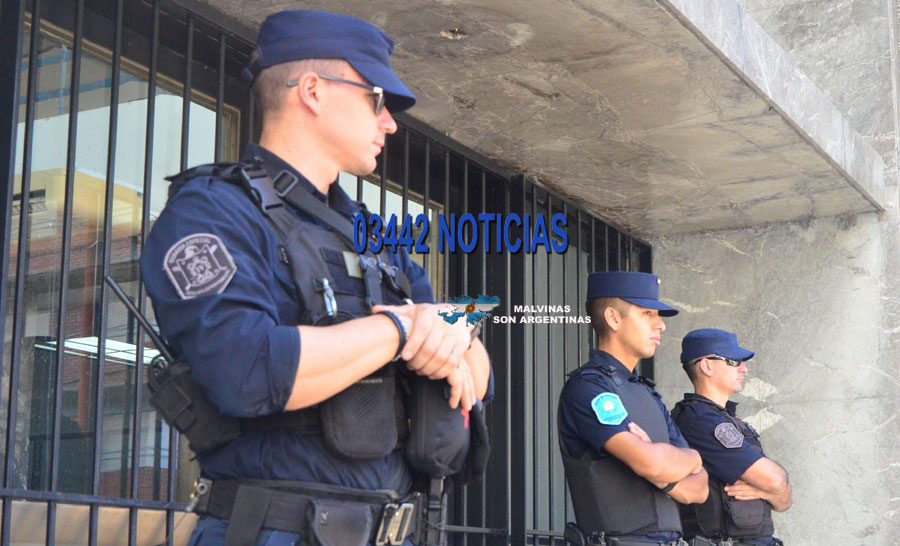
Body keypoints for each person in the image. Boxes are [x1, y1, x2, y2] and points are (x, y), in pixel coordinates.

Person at [139, 9, 491, 545]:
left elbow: (475, 369)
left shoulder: (374, 236)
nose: (390, 123)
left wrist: (455, 330)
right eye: (377, 100)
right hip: (275, 529)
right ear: (313, 91)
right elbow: (247, 370)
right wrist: (401, 331)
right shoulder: (212, 212)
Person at [558, 271, 708, 546]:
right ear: (614, 318)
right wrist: (674, 463)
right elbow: (650, 463)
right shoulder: (589, 388)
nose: (660, 325)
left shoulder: (647, 394)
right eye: (647, 313)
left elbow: (699, 488)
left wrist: (675, 467)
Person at [671, 329, 791, 546]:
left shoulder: (725, 419)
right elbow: (775, 480)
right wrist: (771, 488)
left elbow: (784, 502)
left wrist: (769, 493)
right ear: (707, 366)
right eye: (734, 362)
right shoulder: (701, 420)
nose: (744, 368)